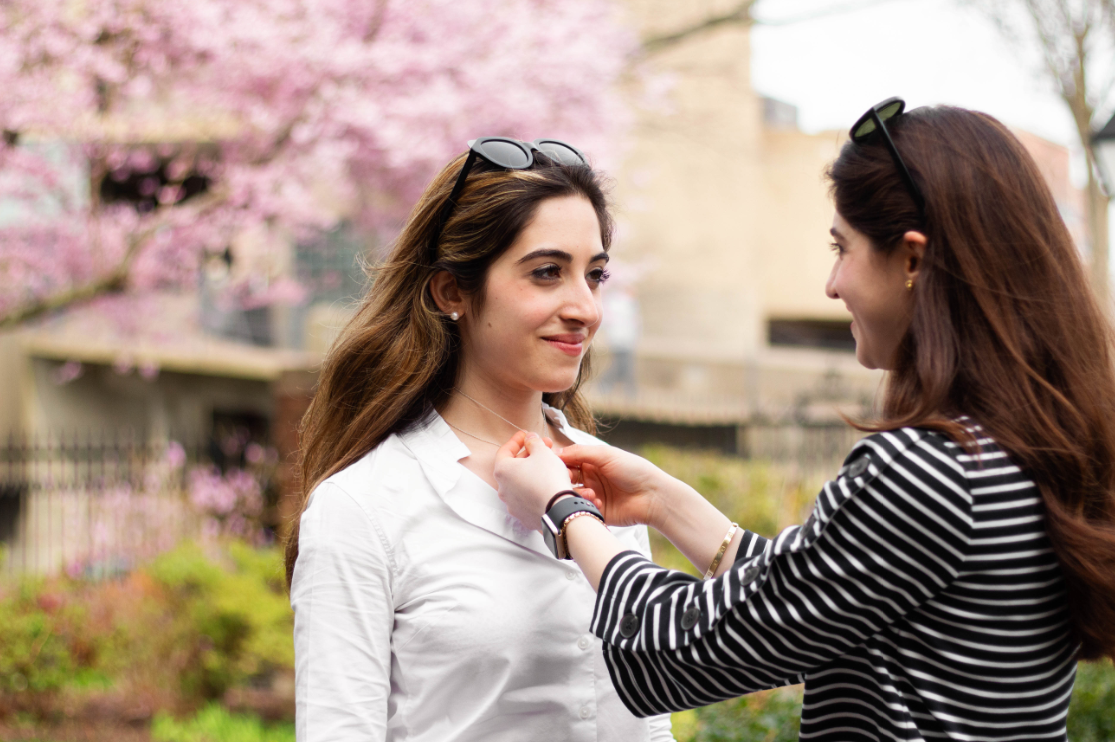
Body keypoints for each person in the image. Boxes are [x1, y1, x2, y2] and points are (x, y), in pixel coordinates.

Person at [494, 101, 1115, 741]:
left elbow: (684, 648)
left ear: (912, 260)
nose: (831, 284)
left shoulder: (929, 471)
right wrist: (662, 500)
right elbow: (820, 594)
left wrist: (565, 512)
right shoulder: (1018, 448)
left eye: (842, 248)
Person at [285, 137, 674, 741]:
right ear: (451, 292)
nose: (585, 308)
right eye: (547, 273)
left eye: (594, 275)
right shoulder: (363, 506)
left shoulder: (613, 483)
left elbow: (650, 724)